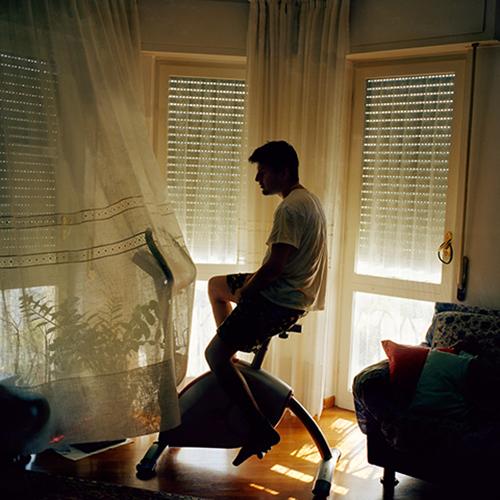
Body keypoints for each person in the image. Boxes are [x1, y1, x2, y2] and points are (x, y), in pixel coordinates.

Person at [205, 140, 328, 466]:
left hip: (279, 300)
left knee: (212, 355)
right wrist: (243, 287)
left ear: (283, 172)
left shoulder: (289, 209)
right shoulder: (309, 200)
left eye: (263, 173)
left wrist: (246, 290)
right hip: (294, 295)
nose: (258, 179)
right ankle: (232, 347)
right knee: (216, 286)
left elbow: (274, 268)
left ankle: (260, 429)